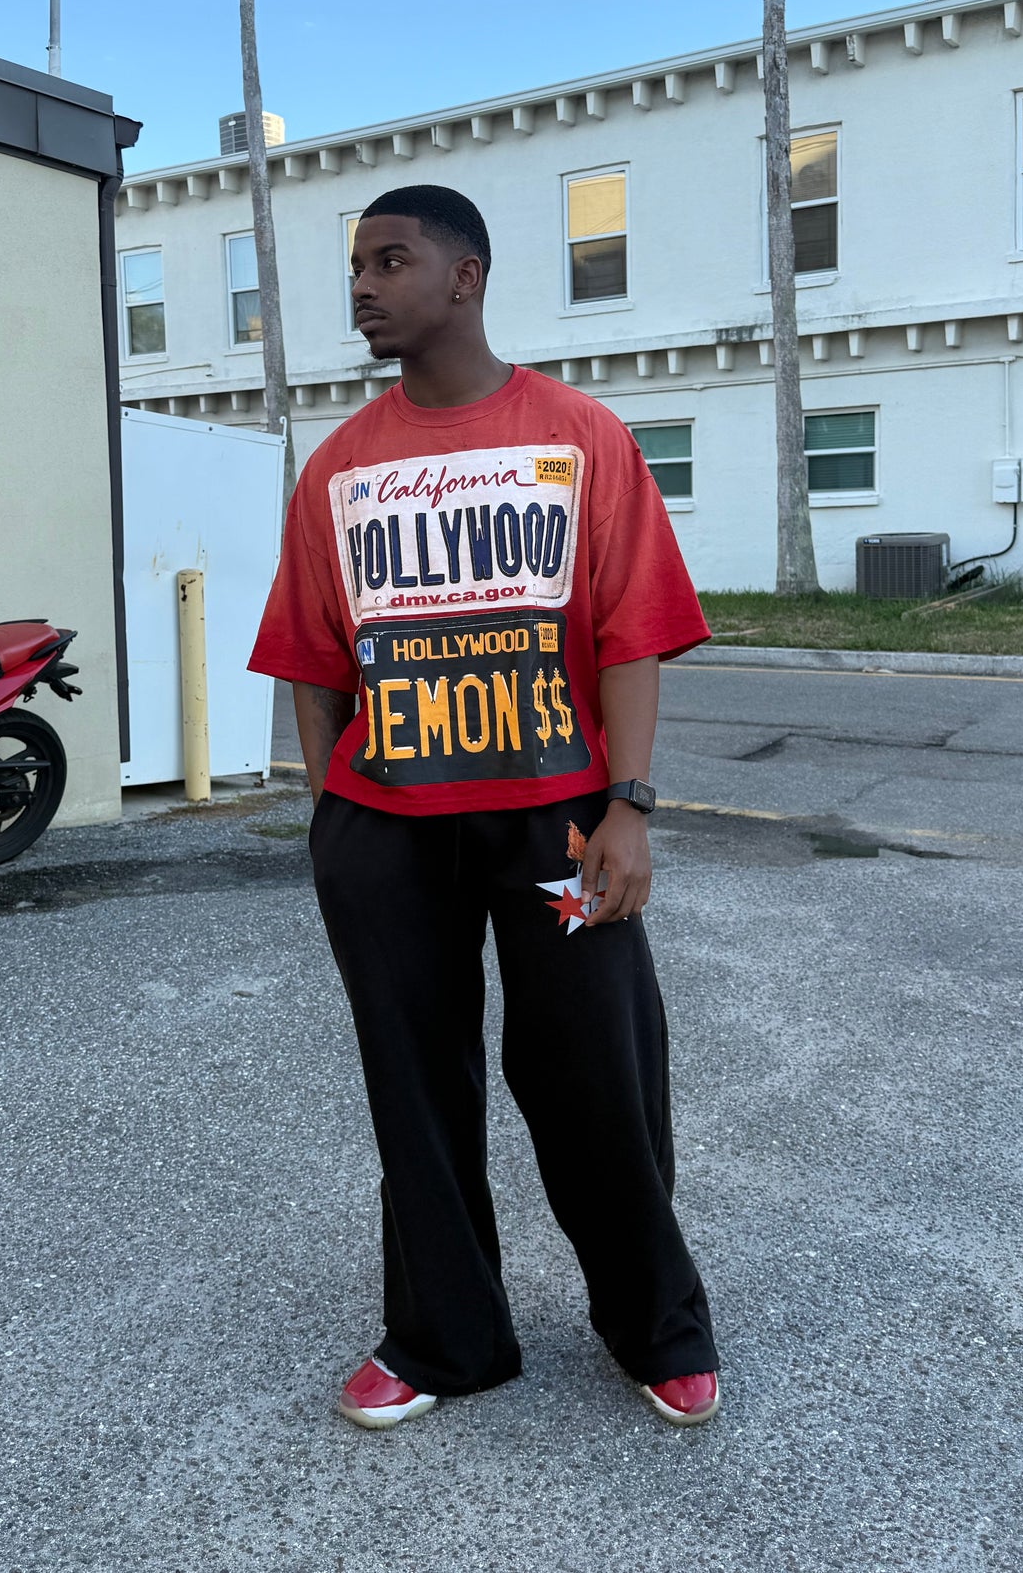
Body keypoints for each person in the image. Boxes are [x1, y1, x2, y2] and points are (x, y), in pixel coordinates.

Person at [248, 184, 719, 1430]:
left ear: (464, 277)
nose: (362, 286)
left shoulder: (575, 437)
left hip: (556, 821)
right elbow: (313, 660)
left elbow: (631, 632)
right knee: (412, 1082)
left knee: (596, 1072)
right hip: (386, 833)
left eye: (389, 261)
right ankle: (443, 1336)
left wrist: (629, 805)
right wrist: (332, 816)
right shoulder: (339, 466)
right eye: (356, 266)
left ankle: (655, 1323)